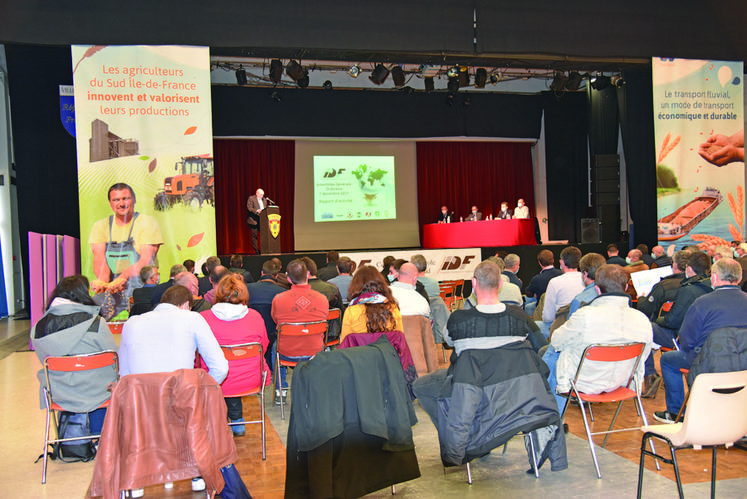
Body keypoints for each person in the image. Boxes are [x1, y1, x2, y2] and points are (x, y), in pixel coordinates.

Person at [118, 284, 227, 495]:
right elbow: (220, 367)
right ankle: (197, 472)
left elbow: (125, 375)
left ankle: (138, 478)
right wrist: (201, 392)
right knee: (199, 402)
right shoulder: (193, 319)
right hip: (181, 403)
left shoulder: (132, 323)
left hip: (142, 405)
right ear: (186, 305)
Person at [413, 260, 546, 423]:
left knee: (421, 386)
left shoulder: (457, 319)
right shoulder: (521, 317)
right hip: (512, 387)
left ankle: (454, 427)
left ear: (474, 283)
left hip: (469, 384)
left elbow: (448, 342)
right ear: (501, 283)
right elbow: (541, 348)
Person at [546, 264, 653, 412]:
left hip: (583, 383)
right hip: (622, 382)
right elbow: (644, 356)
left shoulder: (584, 316)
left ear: (597, 289)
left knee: (553, 353)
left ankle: (550, 419)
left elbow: (557, 342)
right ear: (627, 287)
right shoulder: (642, 320)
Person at [655, 258, 747, 423]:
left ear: (714, 278)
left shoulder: (703, 303)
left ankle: (676, 413)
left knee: (668, 360)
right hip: (744, 362)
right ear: (739, 279)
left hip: (708, 361)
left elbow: (686, 340)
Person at [31, 275, 119, 434]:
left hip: (60, 392)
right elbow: (114, 358)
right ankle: (102, 438)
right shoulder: (96, 322)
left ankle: (72, 438)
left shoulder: (39, 326)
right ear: (83, 294)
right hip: (98, 390)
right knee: (108, 384)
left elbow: (43, 359)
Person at [200, 274, 270, 436]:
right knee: (232, 371)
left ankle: (217, 423)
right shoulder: (255, 316)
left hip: (214, 381)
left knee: (218, 371)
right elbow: (263, 347)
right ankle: (238, 421)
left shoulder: (203, 318)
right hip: (251, 379)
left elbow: (197, 354)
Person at [642, 251, 712, 398]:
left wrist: (657, 321)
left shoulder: (687, 289)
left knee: (644, 327)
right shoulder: (712, 286)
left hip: (680, 338)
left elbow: (672, 321)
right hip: (706, 340)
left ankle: (649, 375)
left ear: (689, 268)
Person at [89, 183, 163, 318]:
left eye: (126, 198)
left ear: (134, 200)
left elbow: (146, 260)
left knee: (144, 320)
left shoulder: (147, 222)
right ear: (110, 203)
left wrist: (123, 277)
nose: (121, 203)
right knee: (94, 313)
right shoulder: (100, 226)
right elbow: (100, 261)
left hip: (141, 286)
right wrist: (104, 284)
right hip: (114, 287)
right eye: (116, 200)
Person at [270, 259, 329, 404]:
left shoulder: (279, 299)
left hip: (287, 353)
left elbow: (276, 320)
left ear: (289, 279)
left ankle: (280, 390)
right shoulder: (322, 299)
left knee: (274, 347)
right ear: (308, 274)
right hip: (315, 352)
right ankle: (316, 389)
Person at [341, 265, 402, 342]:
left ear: (355, 285)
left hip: (359, 353)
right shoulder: (393, 308)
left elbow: (344, 343)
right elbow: (400, 339)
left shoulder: (351, 311)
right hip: (387, 353)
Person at [246, 188, 268, 254]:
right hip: (253, 220)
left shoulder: (264, 200)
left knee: (264, 235)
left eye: (263, 195)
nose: (262, 196)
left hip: (262, 220)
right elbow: (249, 208)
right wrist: (256, 211)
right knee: (254, 236)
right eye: (261, 195)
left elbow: (266, 208)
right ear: (257, 193)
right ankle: (257, 251)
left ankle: (265, 249)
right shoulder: (251, 198)